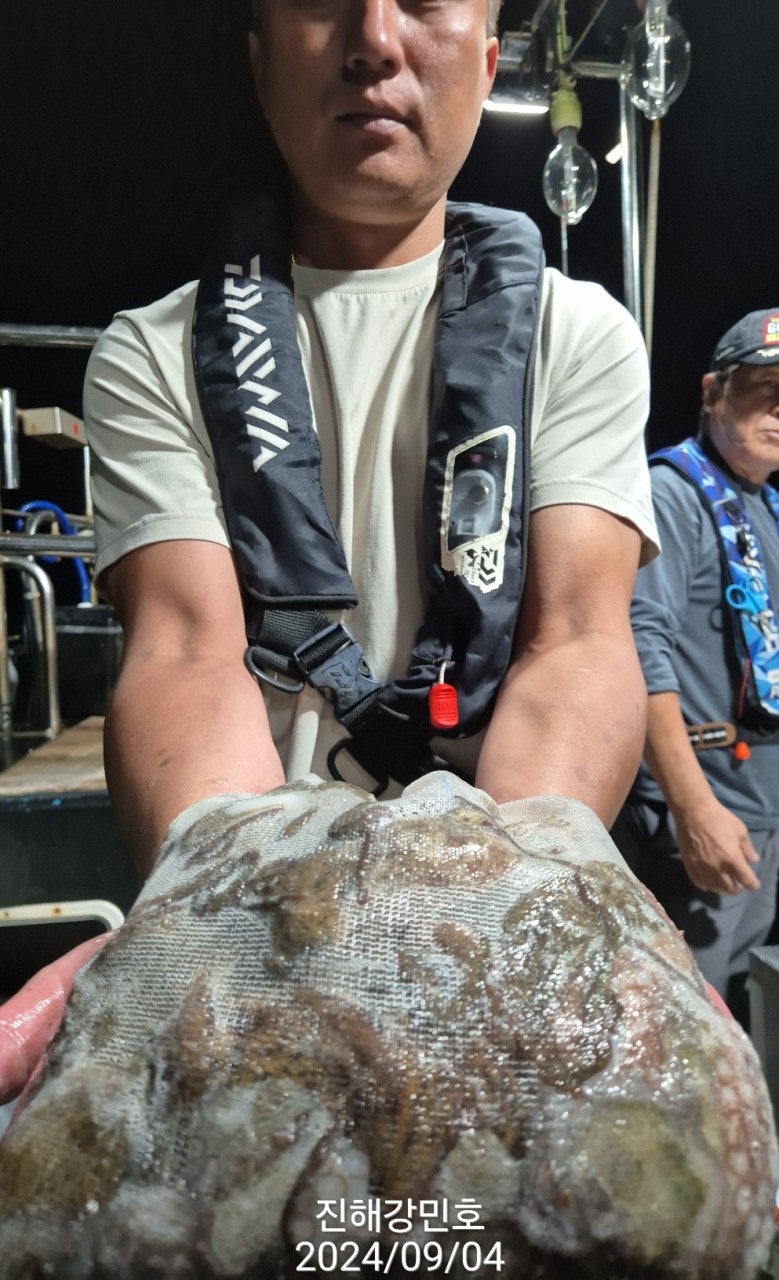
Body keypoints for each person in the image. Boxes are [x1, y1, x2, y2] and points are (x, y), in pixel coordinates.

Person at [0, 0, 658, 1104]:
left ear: (487, 55)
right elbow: (186, 653)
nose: (374, 41)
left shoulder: (580, 335)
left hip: (496, 905)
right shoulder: (150, 354)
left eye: (424, 1)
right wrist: (211, 925)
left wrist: (506, 916)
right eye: (321, 1)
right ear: (260, 61)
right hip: (254, 935)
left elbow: (577, 642)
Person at [611, 308, 779, 1025]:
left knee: (748, 1007)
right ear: (712, 391)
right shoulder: (671, 492)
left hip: (762, 805)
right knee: (687, 1021)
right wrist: (692, 808)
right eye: (766, 389)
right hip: (705, 814)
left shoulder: (764, 505)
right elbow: (638, 646)